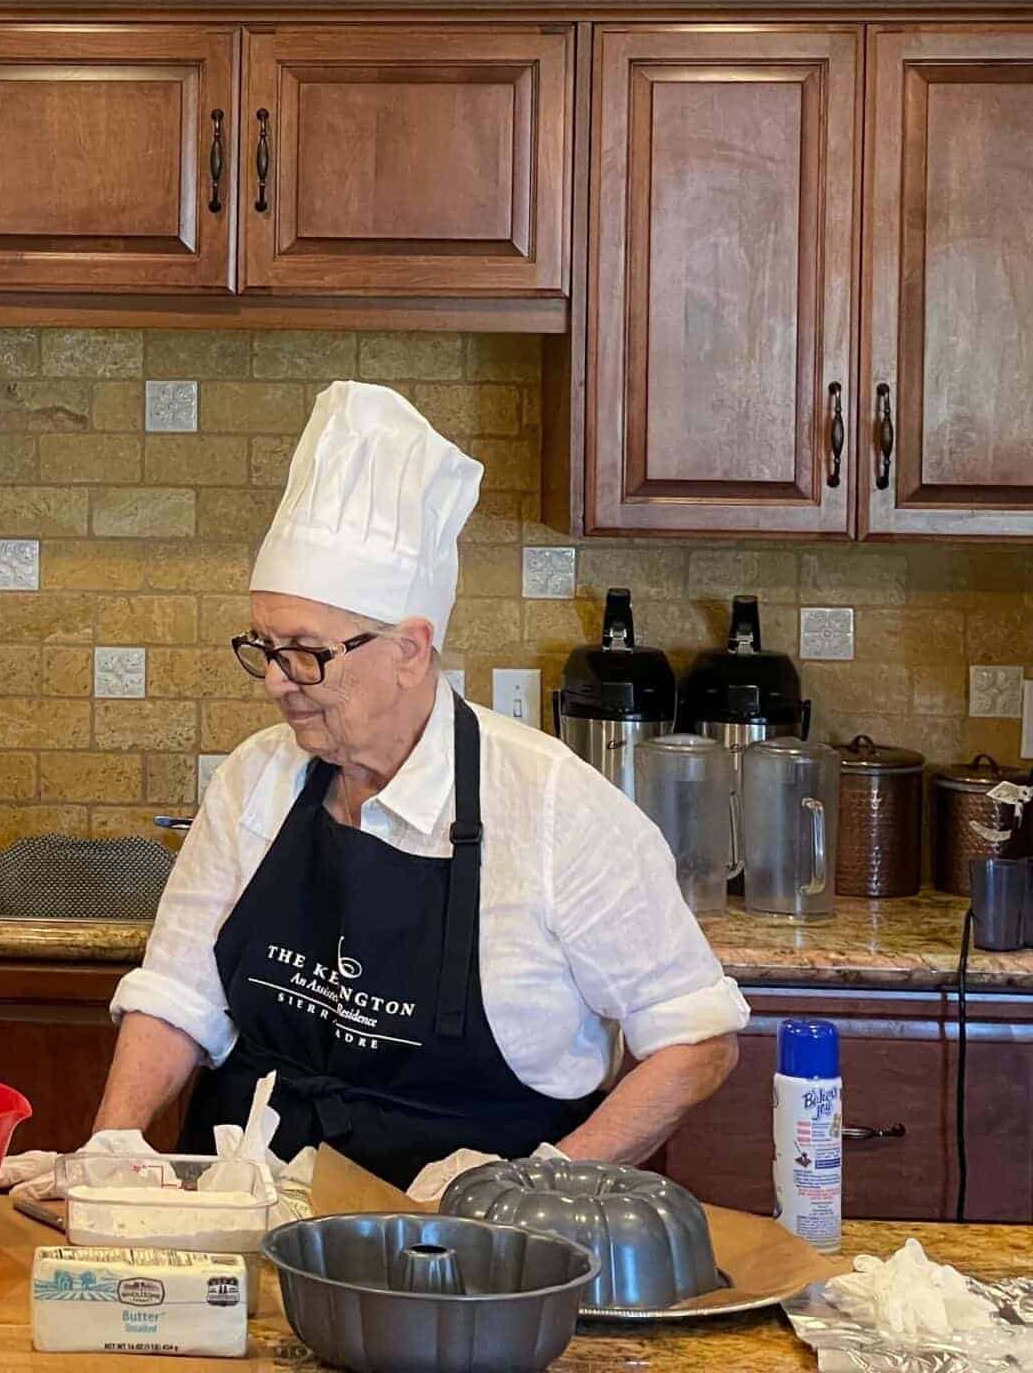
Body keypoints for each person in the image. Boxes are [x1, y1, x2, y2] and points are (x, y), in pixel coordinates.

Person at [93, 382, 746, 1197]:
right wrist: (113, 1141)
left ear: (409, 648)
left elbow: (697, 1039)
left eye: (305, 652)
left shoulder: (553, 808)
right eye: (262, 646)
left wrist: (543, 1190)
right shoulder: (255, 780)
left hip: (469, 1263)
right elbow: (179, 993)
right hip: (241, 1222)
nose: (274, 681)